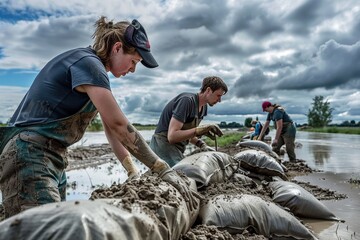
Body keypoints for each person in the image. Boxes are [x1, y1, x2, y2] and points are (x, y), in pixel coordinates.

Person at [0, 16, 199, 218]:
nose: (133, 69)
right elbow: (119, 124)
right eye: (134, 61)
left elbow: (111, 129)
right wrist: (161, 168)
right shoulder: (88, 63)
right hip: (29, 154)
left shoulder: (93, 74)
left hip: (53, 156)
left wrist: (130, 169)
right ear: (117, 48)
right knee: (41, 228)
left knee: (58, 225)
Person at [150, 76, 228, 167]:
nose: (219, 100)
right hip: (162, 146)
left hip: (176, 149)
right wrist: (198, 130)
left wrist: (201, 144)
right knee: (186, 174)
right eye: (218, 95)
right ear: (208, 90)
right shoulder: (186, 101)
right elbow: (172, 136)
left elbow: (188, 134)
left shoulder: (203, 108)